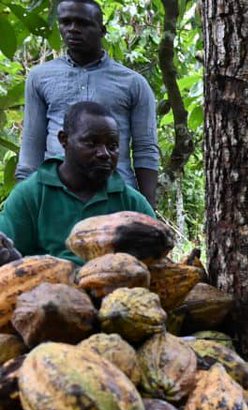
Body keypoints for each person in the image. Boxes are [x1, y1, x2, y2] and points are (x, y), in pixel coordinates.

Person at [17, 0, 159, 203]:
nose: (72, 29)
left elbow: (145, 149)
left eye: (83, 23)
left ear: (102, 30)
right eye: (66, 22)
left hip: (115, 193)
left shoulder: (133, 83)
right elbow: (32, 144)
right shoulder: (40, 77)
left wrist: (147, 206)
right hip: (55, 193)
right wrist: (25, 198)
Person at [0, 101, 155, 264]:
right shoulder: (31, 194)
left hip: (117, 287)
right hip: (42, 286)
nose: (104, 153)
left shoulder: (132, 203)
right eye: (91, 143)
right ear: (64, 140)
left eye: (112, 146)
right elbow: (7, 250)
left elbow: (158, 263)